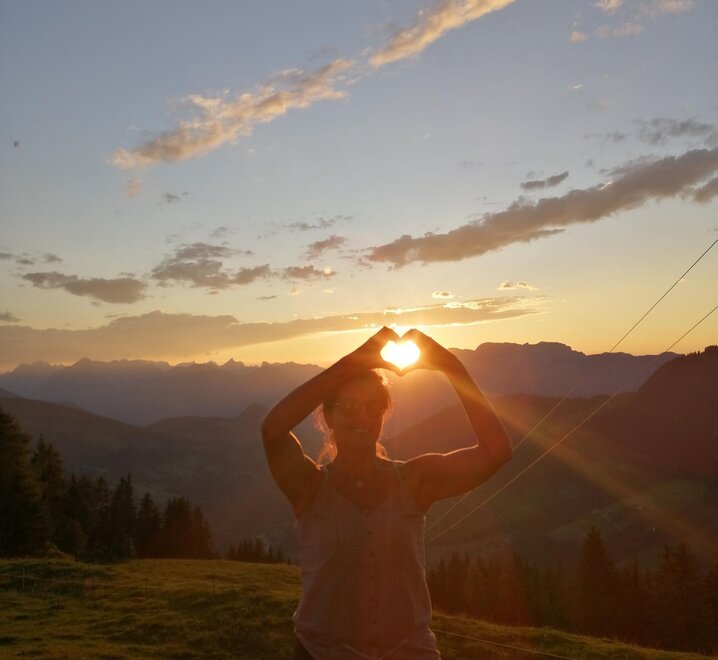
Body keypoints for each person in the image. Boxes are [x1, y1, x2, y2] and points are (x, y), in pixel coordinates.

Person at [261, 327, 513, 659]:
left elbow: (496, 451)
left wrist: (451, 366)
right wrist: (354, 360)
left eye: (374, 407)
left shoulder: (414, 480)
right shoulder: (309, 486)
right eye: (349, 407)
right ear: (328, 416)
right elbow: (272, 429)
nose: (363, 417)